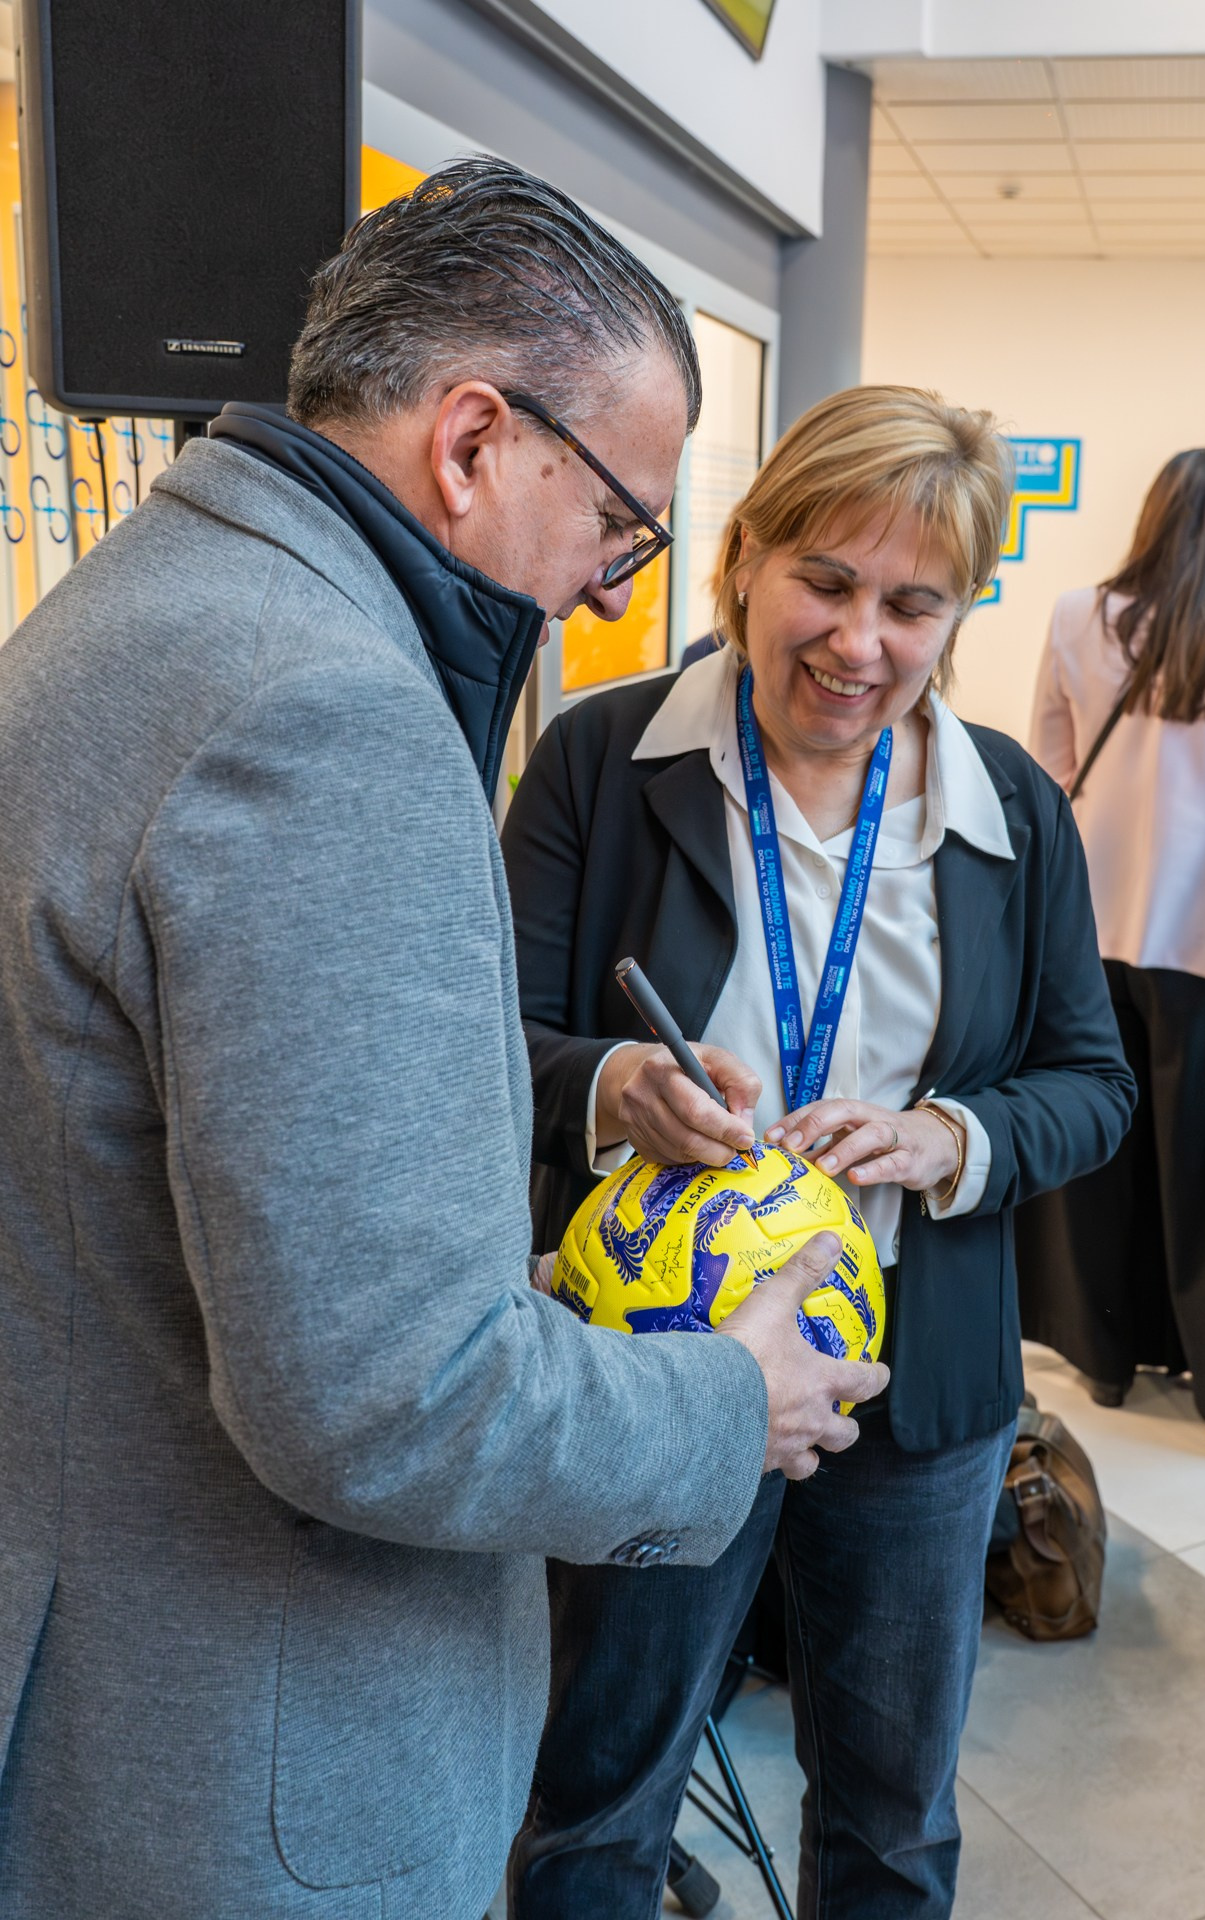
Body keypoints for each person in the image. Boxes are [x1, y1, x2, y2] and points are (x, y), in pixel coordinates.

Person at [0, 159, 887, 1920]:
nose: (606, 592)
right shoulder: (325, 714)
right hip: (268, 1764)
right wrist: (727, 1402)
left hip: (108, 1679)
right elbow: (383, 1399)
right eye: (618, 526)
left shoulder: (126, 614)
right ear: (475, 441)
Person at [502, 384, 1136, 1920]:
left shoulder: (1016, 816)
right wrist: (617, 1084)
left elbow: (1092, 1083)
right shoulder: (600, 762)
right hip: (665, 1371)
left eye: (913, 604)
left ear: (959, 614)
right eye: (828, 584)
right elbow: (479, 1035)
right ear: (744, 560)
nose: (861, 645)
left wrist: (945, 1135)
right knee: (600, 1800)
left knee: (895, 1821)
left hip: (919, 1389)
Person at [1021, 448, 1205, 1436]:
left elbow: (1049, 769)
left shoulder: (1075, 615)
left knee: (1098, 1145)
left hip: (1093, 925)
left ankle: (1099, 1355)